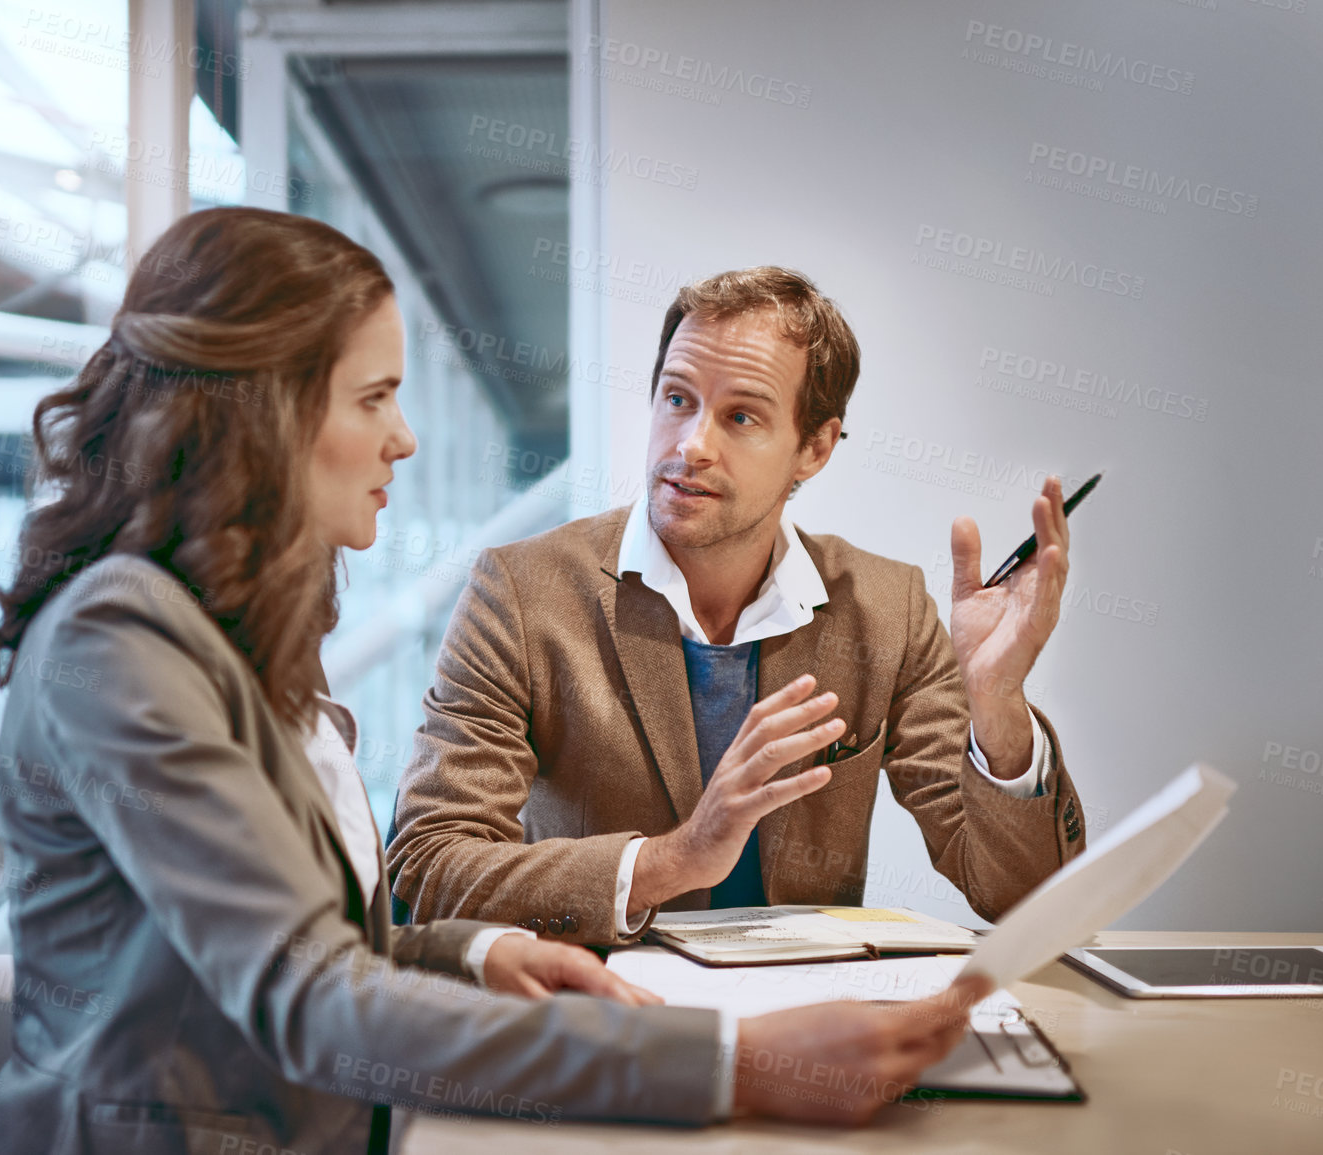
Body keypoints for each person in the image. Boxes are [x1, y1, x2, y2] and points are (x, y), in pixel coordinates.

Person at [0, 211, 989, 1154]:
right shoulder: (120, 645)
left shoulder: (214, 635)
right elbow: (311, 997)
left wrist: (473, 957)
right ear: (260, 415)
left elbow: (311, 943)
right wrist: (739, 1062)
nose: (404, 436)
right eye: (375, 398)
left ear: (816, 447)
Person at [387, 267, 1088, 944]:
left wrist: (997, 704)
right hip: (602, 1029)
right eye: (676, 399)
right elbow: (428, 861)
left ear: (813, 447)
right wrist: (675, 858)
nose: (690, 445)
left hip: (807, 1042)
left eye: (740, 416)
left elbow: (1019, 896)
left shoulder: (884, 608)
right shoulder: (521, 590)